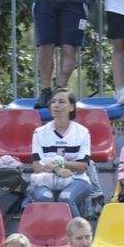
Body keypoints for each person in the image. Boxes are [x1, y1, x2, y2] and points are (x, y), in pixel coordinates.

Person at [28, 88, 93, 217]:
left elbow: (82, 167)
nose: (56, 105)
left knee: (66, 198)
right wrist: (58, 169)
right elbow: (37, 167)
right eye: (53, 102)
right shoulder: (39, 132)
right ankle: (51, 231)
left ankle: (78, 230)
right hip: (45, 179)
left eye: (61, 101)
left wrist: (59, 163)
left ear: (72, 107)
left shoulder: (83, 132)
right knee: (45, 197)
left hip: (77, 179)